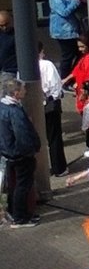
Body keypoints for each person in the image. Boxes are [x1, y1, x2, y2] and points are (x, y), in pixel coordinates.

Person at [0, 79, 40, 228]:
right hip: (20, 154)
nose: (25, 91)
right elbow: (22, 134)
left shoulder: (3, 107)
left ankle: (14, 211)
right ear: (16, 93)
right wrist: (31, 150)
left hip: (7, 152)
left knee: (13, 185)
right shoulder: (15, 111)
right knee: (23, 185)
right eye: (23, 89)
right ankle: (20, 217)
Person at [48, 0, 82, 75]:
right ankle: (64, 78)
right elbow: (64, 12)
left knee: (79, 53)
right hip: (63, 31)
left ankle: (73, 75)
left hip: (73, 29)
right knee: (68, 55)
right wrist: (76, 1)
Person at [37, 47, 64, 176]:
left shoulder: (23, 66)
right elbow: (55, 85)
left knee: (39, 138)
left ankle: (40, 169)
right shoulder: (47, 64)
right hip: (49, 103)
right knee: (54, 137)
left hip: (35, 105)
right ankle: (59, 168)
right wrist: (55, 96)